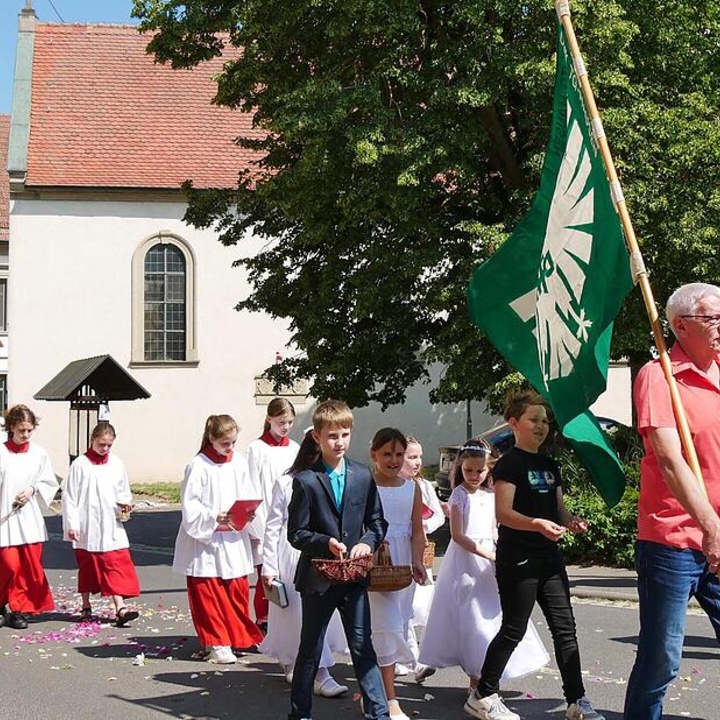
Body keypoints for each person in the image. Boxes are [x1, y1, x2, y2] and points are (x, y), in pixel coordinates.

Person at [465, 391, 604, 720]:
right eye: (534, 420)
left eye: (544, 420)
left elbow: (557, 509)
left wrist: (571, 521)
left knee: (565, 628)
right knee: (514, 628)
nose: (541, 426)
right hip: (518, 560)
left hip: (549, 559)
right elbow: (503, 513)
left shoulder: (549, 463)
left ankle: (576, 701)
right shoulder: (510, 463)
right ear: (514, 423)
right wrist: (536, 524)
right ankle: (483, 693)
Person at [624, 282, 720, 720]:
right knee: (663, 655)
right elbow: (669, 459)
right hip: (674, 540)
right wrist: (710, 526)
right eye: (711, 318)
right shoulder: (658, 376)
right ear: (681, 326)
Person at [287, 400, 390, 720]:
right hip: (319, 577)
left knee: (363, 647)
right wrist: (324, 542)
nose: (340, 442)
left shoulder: (362, 474)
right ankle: (300, 713)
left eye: (345, 434)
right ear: (317, 437)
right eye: (332, 435)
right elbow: (296, 533)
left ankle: (379, 713)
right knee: (311, 648)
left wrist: (365, 543)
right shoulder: (305, 480)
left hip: (354, 576)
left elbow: (376, 523)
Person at [418, 440, 548, 694]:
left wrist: (503, 551)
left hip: (489, 560)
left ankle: (481, 672)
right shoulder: (459, 495)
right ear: (461, 469)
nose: (474, 476)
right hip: (466, 560)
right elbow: (458, 535)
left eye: (480, 471)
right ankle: (474, 678)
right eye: (469, 471)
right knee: (471, 616)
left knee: (492, 614)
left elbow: (493, 530)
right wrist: (486, 552)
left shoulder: (491, 495)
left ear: (489, 471)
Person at [260, 427, 348, 697]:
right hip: (292, 554)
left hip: (323, 552)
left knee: (316, 617)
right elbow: (273, 526)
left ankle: (310, 667)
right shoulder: (287, 481)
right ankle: (310, 669)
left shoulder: (334, 478)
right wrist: (269, 566)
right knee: (295, 615)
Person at [173, 414, 264, 664]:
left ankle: (236, 638)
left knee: (236, 589)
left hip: (234, 537)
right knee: (209, 593)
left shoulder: (239, 462)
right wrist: (215, 516)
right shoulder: (198, 465)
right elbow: (190, 506)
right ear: (211, 438)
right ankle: (216, 642)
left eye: (234, 442)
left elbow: (249, 491)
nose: (230, 448)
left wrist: (249, 512)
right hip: (207, 542)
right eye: (225, 443)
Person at [368, 428, 427, 720]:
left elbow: (417, 530)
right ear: (374, 455)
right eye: (387, 454)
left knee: (398, 625)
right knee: (386, 629)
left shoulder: (411, 488)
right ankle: (389, 700)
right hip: (375, 562)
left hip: (403, 564)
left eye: (399, 454)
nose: (393, 460)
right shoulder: (365, 485)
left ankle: (374, 692)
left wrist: (417, 561)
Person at [62, 422, 141, 626]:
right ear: (92, 440)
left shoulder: (116, 464)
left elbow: (123, 490)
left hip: (110, 523)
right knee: (88, 566)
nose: (104, 449)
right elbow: (70, 496)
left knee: (114, 562)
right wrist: (72, 523)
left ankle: (120, 608)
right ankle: (86, 604)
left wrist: (126, 505)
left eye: (108, 445)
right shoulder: (80, 464)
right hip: (87, 524)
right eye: (101, 444)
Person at [0, 404, 59, 629]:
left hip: (29, 519)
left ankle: (18, 611)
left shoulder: (38, 453)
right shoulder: (1, 452)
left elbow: (48, 481)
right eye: (21, 430)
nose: (25, 435)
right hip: (5, 519)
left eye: (29, 430)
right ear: (11, 427)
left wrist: (32, 490)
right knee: (9, 565)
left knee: (27, 567)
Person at [246, 397, 299, 632]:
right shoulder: (256, 449)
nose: (285, 427)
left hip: (290, 519)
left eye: (289, 422)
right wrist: (256, 526)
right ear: (269, 419)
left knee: (288, 571)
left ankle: (287, 618)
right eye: (281, 421)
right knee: (266, 572)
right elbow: (250, 487)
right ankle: (264, 618)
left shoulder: (295, 448)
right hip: (265, 515)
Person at [400, 435, 446, 683]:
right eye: (412, 457)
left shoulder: (425, 486)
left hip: (420, 552)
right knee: (403, 609)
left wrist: (422, 524)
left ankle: (424, 655)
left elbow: (438, 516)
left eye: (419, 456)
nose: (417, 462)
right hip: (398, 552)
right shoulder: (392, 485)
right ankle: (412, 659)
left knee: (427, 606)